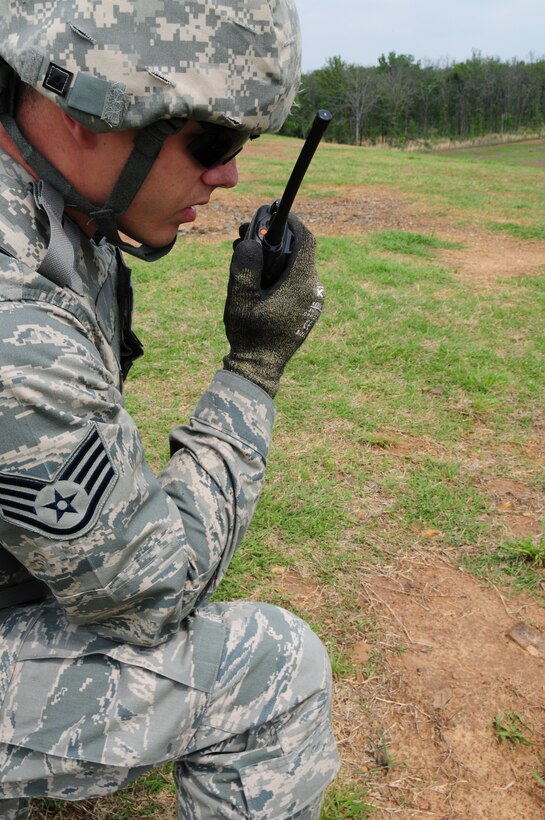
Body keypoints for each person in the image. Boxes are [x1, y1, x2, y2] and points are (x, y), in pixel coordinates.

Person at [0, 0, 339, 817]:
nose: (226, 176)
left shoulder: (49, 210)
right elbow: (150, 593)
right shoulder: (16, 327)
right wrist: (254, 367)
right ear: (84, 107)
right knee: (272, 673)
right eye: (212, 142)